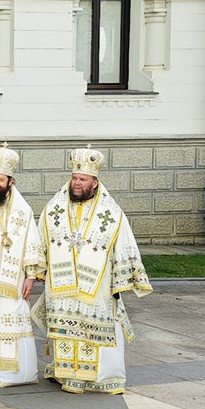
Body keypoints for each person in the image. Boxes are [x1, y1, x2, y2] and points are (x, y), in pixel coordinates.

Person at [36, 146, 151, 394]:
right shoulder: (54, 206)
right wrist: (37, 270)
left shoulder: (111, 212)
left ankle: (102, 377)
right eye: (75, 178)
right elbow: (41, 240)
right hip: (62, 283)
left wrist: (120, 282)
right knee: (67, 327)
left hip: (97, 285)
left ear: (95, 182)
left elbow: (124, 243)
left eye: (83, 179)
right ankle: (67, 374)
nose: (77, 184)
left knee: (97, 328)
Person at [0, 144, 44, 387]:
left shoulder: (23, 210)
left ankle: (16, 374)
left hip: (12, 281)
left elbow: (32, 242)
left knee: (13, 321)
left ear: (10, 181)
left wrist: (31, 276)